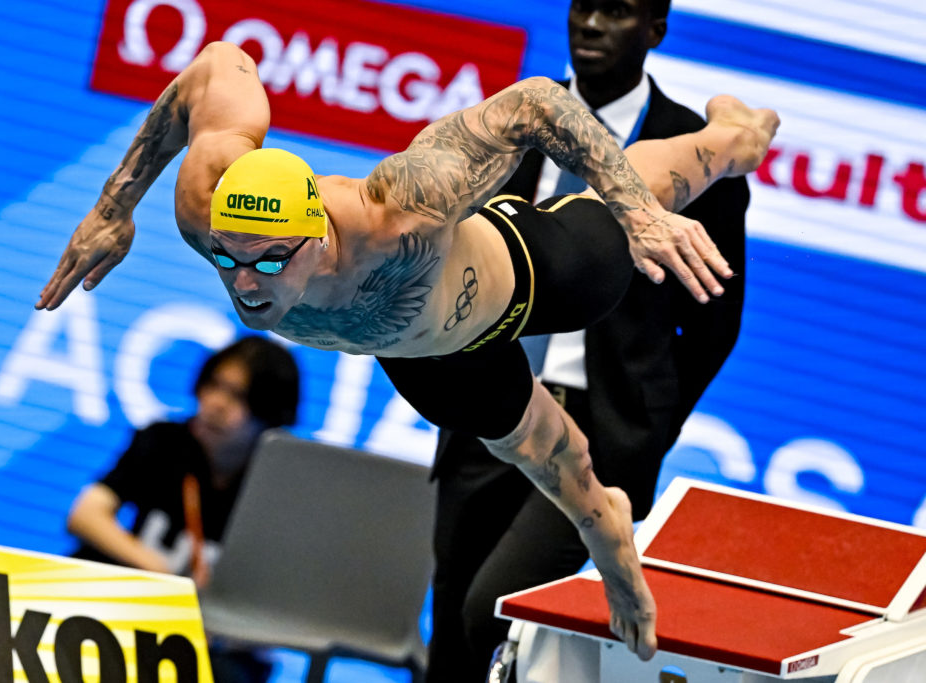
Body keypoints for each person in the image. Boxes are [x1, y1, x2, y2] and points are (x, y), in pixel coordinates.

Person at [38, 40, 778, 661]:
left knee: (627, 207)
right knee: (548, 454)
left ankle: (730, 137)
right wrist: (112, 209)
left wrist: (637, 211)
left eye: (270, 262)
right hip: (427, 357)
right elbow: (216, 67)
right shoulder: (207, 201)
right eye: (228, 258)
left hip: (526, 276)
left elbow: (534, 105)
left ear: (317, 235)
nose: (246, 284)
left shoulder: (400, 210)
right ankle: (605, 519)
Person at [428, 0, 752, 678]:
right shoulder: (511, 123)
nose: (592, 23)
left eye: (619, 9)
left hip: (605, 438)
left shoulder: (688, 146)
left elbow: (714, 319)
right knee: (453, 629)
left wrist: (648, 421)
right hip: (493, 410)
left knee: (495, 613)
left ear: (656, 30)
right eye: (582, 5)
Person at [67, 335, 299, 683]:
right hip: (136, 611)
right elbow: (85, 515)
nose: (216, 403)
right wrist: (159, 573)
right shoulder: (164, 441)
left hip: (217, 645)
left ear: (269, 415)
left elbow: (286, 607)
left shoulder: (284, 485)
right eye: (213, 385)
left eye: (237, 396)